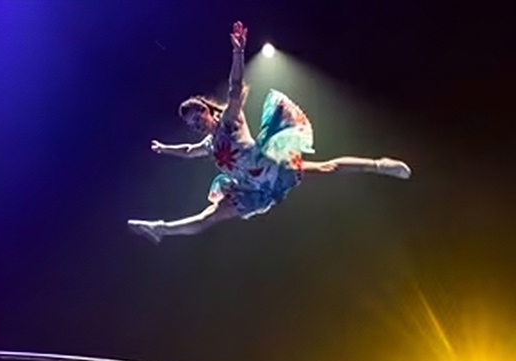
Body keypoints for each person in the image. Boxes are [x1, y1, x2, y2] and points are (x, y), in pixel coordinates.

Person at [126, 22, 411, 243]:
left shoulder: (228, 120)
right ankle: (161, 229)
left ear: (206, 110)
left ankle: (380, 165)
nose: (196, 125)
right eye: (191, 125)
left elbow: (235, 88)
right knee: (208, 217)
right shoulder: (210, 144)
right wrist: (166, 149)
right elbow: (189, 151)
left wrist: (238, 52)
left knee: (328, 167)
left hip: (272, 167)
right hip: (250, 190)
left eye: (197, 117)